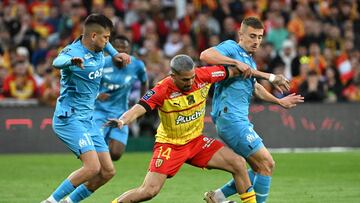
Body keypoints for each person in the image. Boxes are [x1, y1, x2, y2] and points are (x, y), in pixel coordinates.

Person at [108, 54, 258, 203]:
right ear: (173, 75)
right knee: (148, 191)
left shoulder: (204, 75)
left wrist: (255, 72)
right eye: (186, 79)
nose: (191, 82)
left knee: (238, 163)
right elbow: (140, 107)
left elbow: (232, 71)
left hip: (196, 142)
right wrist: (122, 120)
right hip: (170, 145)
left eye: (192, 77)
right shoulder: (162, 89)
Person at [200, 17, 304, 203]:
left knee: (259, 167)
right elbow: (205, 55)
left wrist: (279, 102)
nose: (256, 41)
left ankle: (217, 197)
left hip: (237, 119)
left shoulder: (250, 62)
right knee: (266, 163)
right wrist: (234, 62)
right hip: (230, 119)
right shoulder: (232, 48)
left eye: (260, 37)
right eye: (252, 36)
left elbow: (255, 88)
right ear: (241, 35)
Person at [41, 14, 130, 203]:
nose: (108, 41)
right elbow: (56, 62)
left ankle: (69, 202)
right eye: (105, 37)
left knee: (107, 171)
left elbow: (108, 46)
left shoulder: (99, 47)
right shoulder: (73, 52)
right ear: (93, 36)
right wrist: (70, 62)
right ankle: (50, 201)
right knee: (92, 168)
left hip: (87, 119)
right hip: (69, 119)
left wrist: (116, 54)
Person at [94, 35, 148, 161]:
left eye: (124, 49)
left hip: (121, 113)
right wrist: (97, 95)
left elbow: (144, 82)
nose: (121, 51)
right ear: (111, 49)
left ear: (129, 50)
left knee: (116, 154)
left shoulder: (137, 65)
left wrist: (142, 105)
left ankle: (100, 164)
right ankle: (95, 171)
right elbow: (87, 84)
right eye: (117, 48)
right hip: (99, 112)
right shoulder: (101, 63)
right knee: (97, 153)